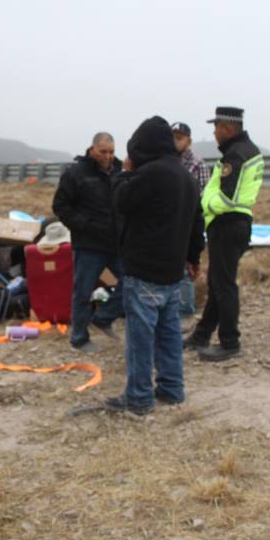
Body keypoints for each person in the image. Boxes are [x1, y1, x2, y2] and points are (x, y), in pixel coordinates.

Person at [106, 116, 204, 415]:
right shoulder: (185, 175)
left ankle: (138, 398)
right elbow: (196, 223)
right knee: (169, 334)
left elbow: (121, 201)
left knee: (140, 338)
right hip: (172, 272)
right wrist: (193, 257)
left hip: (144, 271)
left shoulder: (149, 174)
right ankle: (173, 389)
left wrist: (123, 173)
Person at [186, 106, 264, 362]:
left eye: (217, 127)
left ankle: (230, 341)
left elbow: (228, 197)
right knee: (218, 282)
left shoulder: (236, 155)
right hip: (229, 224)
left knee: (224, 284)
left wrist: (204, 206)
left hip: (228, 224)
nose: (214, 132)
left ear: (228, 128)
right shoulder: (240, 151)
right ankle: (202, 335)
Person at [52, 132, 124, 352]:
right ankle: (79, 338)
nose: (108, 156)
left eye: (111, 151)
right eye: (103, 151)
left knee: (131, 282)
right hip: (88, 245)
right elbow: (61, 206)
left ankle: (103, 317)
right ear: (92, 150)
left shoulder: (120, 171)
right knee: (82, 291)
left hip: (116, 243)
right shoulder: (75, 173)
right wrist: (85, 225)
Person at [171, 122, 210, 318]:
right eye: (172, 136)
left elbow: (201, 199)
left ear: (189, 140)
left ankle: (185, 313)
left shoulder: (197, 164)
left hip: (187, 224)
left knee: (185, 267)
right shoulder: (167, 161)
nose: (175, 141)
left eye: (179, 137)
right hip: (169, 224)